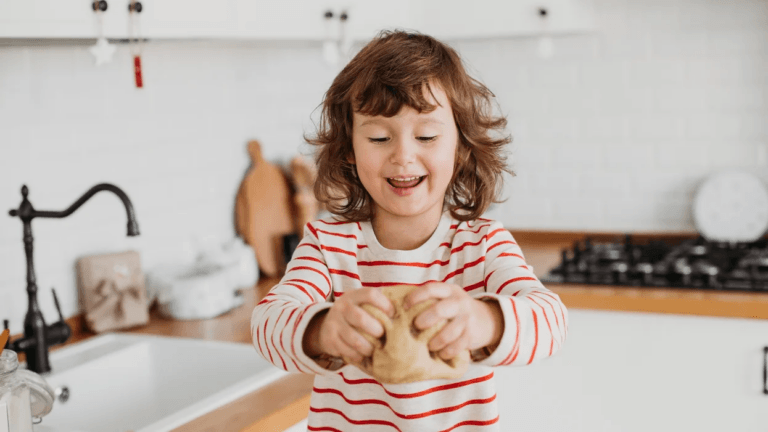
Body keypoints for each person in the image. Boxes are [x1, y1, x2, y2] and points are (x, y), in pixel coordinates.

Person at [251, 30, 568, 431]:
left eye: (427, 136)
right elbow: (267, 323)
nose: (403, 155)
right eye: (379, 137)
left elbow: (551, 321)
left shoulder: (480, 245)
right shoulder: (329, 245)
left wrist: (483, 321)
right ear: (350, 146)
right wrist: (321, 328)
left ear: (460, 144)